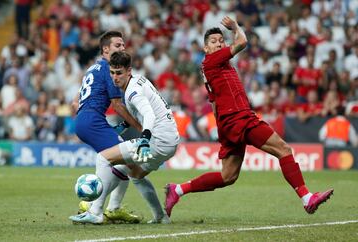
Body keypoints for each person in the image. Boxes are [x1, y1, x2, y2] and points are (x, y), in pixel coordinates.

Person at [164, 16, 333, 218]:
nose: (218, 43)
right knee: (284, 149)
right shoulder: (211, 61)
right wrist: (235, 26)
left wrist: (223, 132)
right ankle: (307, 198)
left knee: (228, 176)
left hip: (229, 122)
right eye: (213, 41)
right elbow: (243, 42)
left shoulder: (217, 67)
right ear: (206, 49)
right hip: (239, 118)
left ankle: (178, 190)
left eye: (221, 40)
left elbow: (215, 102)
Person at [70, 50, 180, 224]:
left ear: (129, 71)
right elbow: (144, 113)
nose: (115, 77)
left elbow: (149, 114)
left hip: (157, 140)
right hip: (171, 141)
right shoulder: (137, 81)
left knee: (103, 157)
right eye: (112, 72)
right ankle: (160, 216)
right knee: (133, 173)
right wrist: (124, 126)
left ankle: (96, 212)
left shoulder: (132, 92)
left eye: (119, 73)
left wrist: (144, 139)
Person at [68, 31, 148, 225]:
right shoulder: (108, 68)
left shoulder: (93, 68)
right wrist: (141, 126)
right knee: (127, 160)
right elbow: (117, 104)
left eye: (123, 45)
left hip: (86, 119)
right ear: (106, 49)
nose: (123, 48)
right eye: (118, 45)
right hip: (93, 121)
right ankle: (100, 207)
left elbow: (74, 102)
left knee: (125, 162)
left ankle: (110, 208)